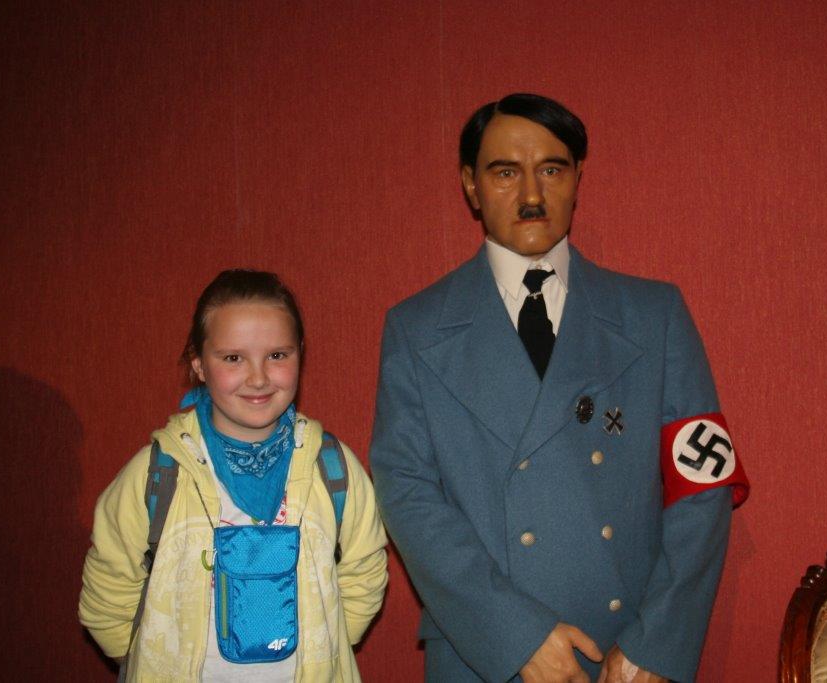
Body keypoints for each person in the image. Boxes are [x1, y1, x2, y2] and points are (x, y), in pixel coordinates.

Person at [369, 93, 749, 683]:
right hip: (483, 654)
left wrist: (657, 644)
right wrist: (516, 637)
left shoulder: (655, 316)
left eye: (551, 169)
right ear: (470, 185)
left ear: (577, 179)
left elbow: (703, 485)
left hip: (626, 655)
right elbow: (407, 494)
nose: (531, 195)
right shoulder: (417, 329)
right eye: (504, 173)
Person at [79, 269, 388, 681]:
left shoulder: (332, 468)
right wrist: (148, 663)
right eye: (233, 358)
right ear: (199, 365)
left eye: (277, 356)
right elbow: (108, 588)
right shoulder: (157, 473)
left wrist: (328, 647)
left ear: (300, 355)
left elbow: (365, 568)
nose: (258, 378)